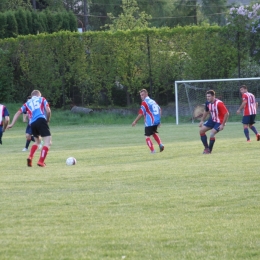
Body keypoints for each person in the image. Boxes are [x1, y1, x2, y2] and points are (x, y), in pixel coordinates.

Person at [8, 90, 51, 167]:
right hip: (41, 120)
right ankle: (41, 161)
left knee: (37, 142)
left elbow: (18, 113)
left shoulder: (27, 103)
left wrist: (11, 124)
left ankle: (30, 157)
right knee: (47, 142)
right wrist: (47, 120)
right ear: (39, 95)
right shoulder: (42, 99)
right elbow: (48, 111)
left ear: (32, 96)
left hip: (32, 123)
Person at [132, 88, 164, 153]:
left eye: (143, 95)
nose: (141, 96)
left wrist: (135, 121)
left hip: (150, 122)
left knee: (147, 136)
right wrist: (159, 120)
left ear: (147, 94)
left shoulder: (145, 103)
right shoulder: (153, 101)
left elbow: (141, 113)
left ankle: (152, 150)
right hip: (155, 121)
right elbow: (159, 109)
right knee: (153, 133)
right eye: (141, 95)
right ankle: (160, 144)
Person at [199, 90, 229, 154]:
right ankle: (206, 148)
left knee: (212, 133)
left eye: (209, 96)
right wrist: (202, 120)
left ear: (213, 96)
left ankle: (209, 150)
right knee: (201, 131)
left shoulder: (219, 103)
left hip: (219, 121)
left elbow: (227, 114)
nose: (207, 98)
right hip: (212, 120)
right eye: (207, 96)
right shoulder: (207, 103)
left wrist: (222, 125)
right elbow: (206, 111)